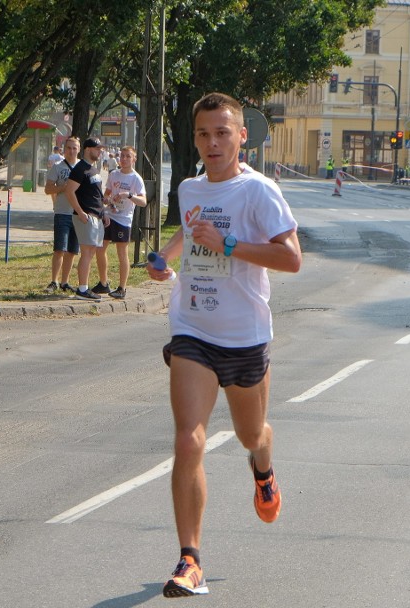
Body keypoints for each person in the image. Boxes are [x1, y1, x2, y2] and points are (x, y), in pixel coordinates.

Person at [147, 92, 301, 598]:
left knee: (249, 434)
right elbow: (191, 234)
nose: (212, 143)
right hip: (193, 328)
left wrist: (230, 246)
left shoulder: (259, 192)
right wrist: (163, 257)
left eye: (221, 133)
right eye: (203, 134)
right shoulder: (190, 189)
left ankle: (263, 465)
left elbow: (291, 258)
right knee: (188, 438)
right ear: (195, 140)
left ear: (241, 136)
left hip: (245, 337)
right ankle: (190, 560)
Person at [95, 146, 146, 299]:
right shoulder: (113, 174)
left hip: (124, 220)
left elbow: (143, 201)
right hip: (110, 215)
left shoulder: (136, 178)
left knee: (121, 252)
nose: (124, 159)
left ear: (133, 159)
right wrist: (106, 200)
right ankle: (103, 283)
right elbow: (107, 193)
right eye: (122, 156)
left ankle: (122, 288)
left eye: (127, 156)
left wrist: (128, 195)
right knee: (100, 248)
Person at [65, 137, 109, 301]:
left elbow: (96, 195)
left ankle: (85, 287)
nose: (100, 151)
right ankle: (82, 289)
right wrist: (80, 212)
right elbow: (70, 191)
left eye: (100, 149)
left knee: (91, 252)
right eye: (97, 148)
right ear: (88, 149)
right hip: (86, 217)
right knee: (87, 253)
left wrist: (104, 212)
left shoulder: (94, 169)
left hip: (97, 216)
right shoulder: (80, 169)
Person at [43, 137, 81, 294]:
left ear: (79, 149)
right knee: (60, 248)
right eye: (69, 148)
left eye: (74, 148)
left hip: (78, 213)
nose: (71, 151)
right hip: (62, 212)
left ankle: (65, 281)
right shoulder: (57, 167)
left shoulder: (83, 167)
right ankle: (54, 281)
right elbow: (48, 189)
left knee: (72, 250)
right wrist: (63, 187)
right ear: (64, 149)